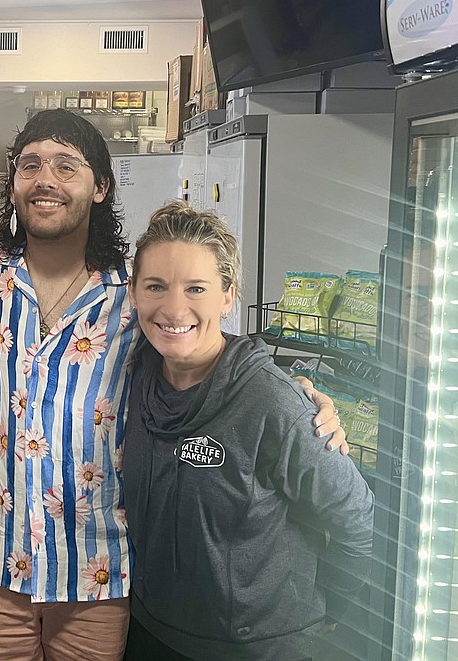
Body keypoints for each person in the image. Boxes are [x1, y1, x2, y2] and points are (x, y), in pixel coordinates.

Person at [0, 108, 347, 660]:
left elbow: (208, 351)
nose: (46, 178)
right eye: (31, 164)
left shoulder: (133, 297)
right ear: (14, 182)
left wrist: (299, 395)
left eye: (67, 165)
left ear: (101, 187)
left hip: (95, 574)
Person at [122, 201, 374, 660]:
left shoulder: (272, 402)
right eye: (155, 286)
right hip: (150, 631)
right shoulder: (136, 371)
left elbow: (354, 514)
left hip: (258, 646)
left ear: (227, 295)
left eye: (196, 288)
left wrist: (328, 611)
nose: (174, 307)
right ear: (134, 293)